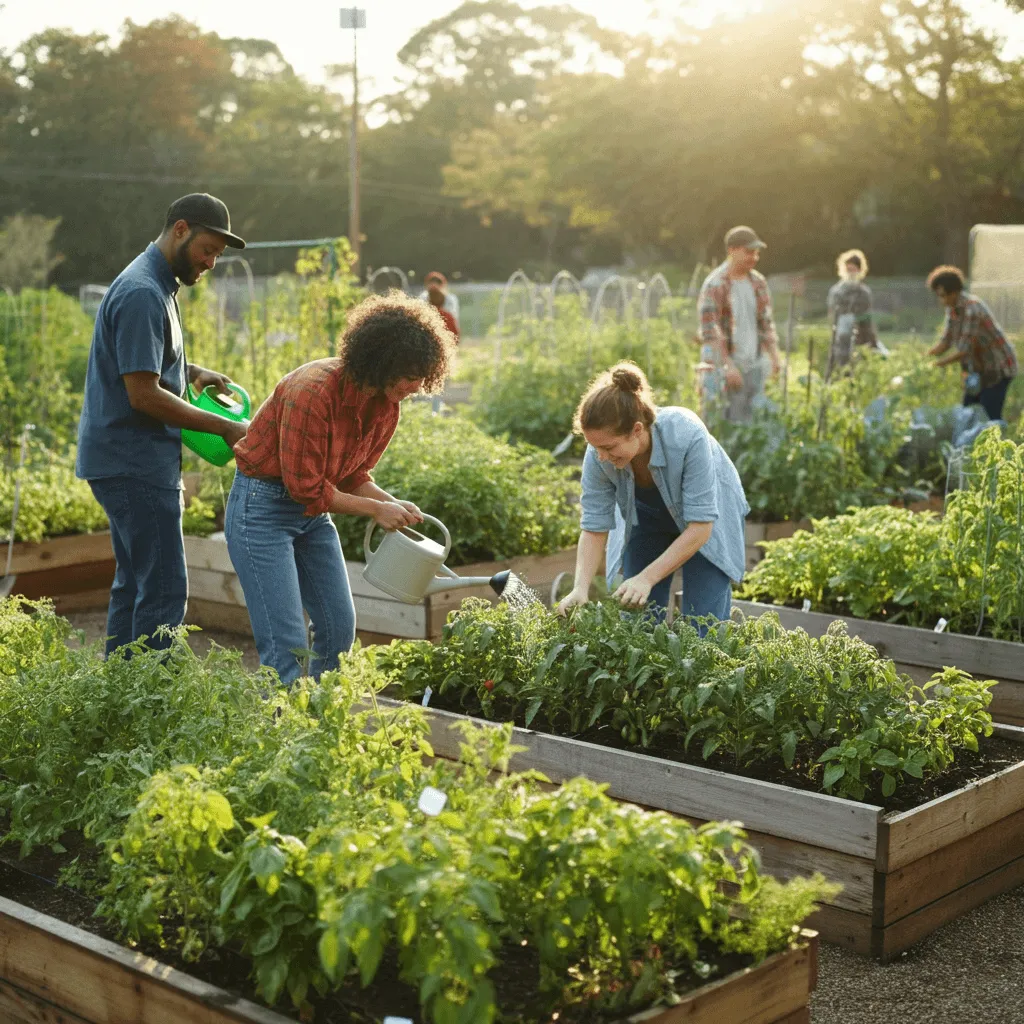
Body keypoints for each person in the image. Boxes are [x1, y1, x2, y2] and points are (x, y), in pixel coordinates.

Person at [225, 292, 456, 686]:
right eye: (408, 373)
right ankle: (281, 738)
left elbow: (353, 475)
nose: (415, 385)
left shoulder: (386, 405)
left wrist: (390, 502)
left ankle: (319, 724)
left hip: (312, 516)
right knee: (287, 644)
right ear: (382, 360)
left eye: (422, 375)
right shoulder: (312, 393)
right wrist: (375, 511)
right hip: (262, 509)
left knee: (338, 628)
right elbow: (307, 489)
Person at [76, 193, 248, 655]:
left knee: (135, 585)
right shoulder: (143, 293)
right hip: (134, 463)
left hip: (125, 459)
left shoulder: (157, 285)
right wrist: (225, 428)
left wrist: (192, 371)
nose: (211, 262)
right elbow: (144, 394)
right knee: (165, 590)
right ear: (180, 230)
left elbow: (142, 364)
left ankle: (121, 699)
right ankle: (150, 706)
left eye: (217, 254)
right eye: (207, 249)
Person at [556, 362, 748, 626]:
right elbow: (593, 526)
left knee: (705, 626)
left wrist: (647, 577)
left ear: (637, 429)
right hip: (646, 518)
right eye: (595, 447)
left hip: (707, 522)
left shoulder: (687, 434)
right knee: (636, 623)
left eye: (609, 447)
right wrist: (580, 588)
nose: (601, 456)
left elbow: (701, 527)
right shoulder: (598, 454)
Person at [698, 226, 781, 423]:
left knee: (751, 423)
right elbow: (711, 331)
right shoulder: (715, 284)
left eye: (756, 253)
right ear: (732, 251)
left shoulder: (758, 282)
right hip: (723, 365)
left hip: (752, 362)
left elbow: (766, 323)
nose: (754, 257)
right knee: (720, 422)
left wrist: (775, 356)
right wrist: (728, 365)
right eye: (749, 252)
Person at [926, 265, 1018, 422]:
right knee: (967, 414)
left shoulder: (972, 309)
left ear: (954, 292)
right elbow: (946, 341)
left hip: (998, 368)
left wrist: (937, 364)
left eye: (943, 296)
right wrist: (925, 357)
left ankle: (1000, 444)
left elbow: (964, 349)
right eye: (938, 296)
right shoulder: (953, 309)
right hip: (978, 371)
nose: (941, 300)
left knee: (990, 416)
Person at [826, 249, 881, 374]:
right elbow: (832, 314)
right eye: (848, 269)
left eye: (853, 269)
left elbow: (867, 317)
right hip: (840, 338)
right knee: (840, 368)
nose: (850, 273)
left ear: (860, 270)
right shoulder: (836, 292)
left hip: (861, 337)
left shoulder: (864, 293)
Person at [419, 271, 460, 340]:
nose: (434, 285)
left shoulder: (450, 299)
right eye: (431, 282)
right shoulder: (423, 298)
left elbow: (453, 322)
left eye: (438, 282)